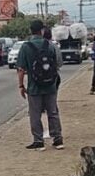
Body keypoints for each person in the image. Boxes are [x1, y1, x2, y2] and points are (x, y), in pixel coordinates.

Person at [17, 20, 63, 151]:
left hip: (34, 86)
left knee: (35, 114)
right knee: (53, 112)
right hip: (50, 85)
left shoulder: (26, 47)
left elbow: (20, 69)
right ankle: (58, 139)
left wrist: (21, 86)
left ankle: (38, 141)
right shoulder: (50, 45)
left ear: (30, 31)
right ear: (42, 30)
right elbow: (58, 64)